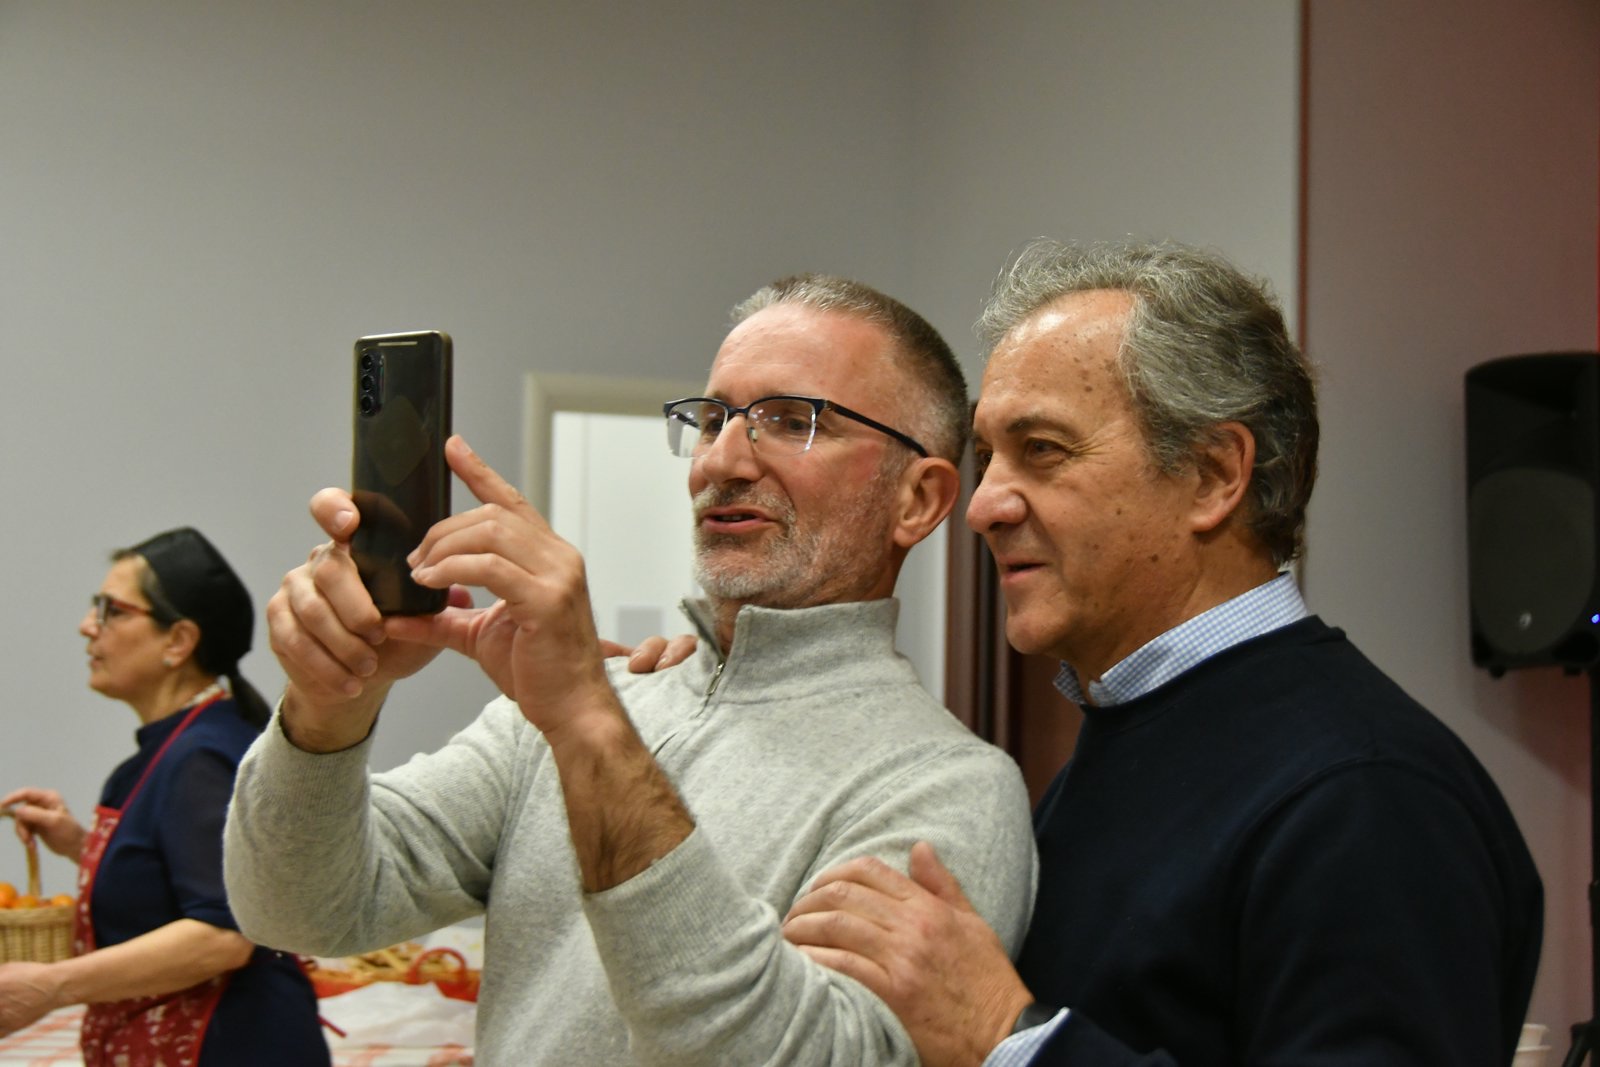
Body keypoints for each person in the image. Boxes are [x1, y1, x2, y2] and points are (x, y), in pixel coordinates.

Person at [222, 274, 1038, 1064]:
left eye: (793, 420)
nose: (721, 460)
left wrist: (587, 722)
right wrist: (332, 699)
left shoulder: (946, 786)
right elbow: (298, 906)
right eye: (712, 419)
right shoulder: (596, 700)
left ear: (918, 500)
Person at [781, 239, 1544, 1066]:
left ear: (1214, 474)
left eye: (1043, 449)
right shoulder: (1131, 733)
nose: (985, 505)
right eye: (988, 457)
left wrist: (1005, 1033)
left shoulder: (1367, 791)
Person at [0, 527, 330, 1067]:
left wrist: (50, 985)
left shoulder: (202, 756)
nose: (88, 626)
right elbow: (174, 886)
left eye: (112, 611)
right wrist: (80, 846)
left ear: (178, 641)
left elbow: (223, 934)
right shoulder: (181, 745)